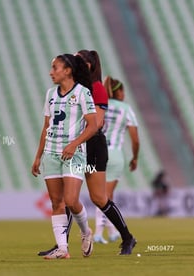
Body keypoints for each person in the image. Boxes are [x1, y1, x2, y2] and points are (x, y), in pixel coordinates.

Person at [38, 50, 136, 256]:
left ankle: (127, 237)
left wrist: (74, 141)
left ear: (89, 65)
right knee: (68, 198)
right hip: (71, 146)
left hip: (93, 147)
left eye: (80, 60)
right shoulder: (69, 90)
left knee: (99, 198)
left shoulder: (96, 89)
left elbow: (97, 123)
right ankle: (62, 245)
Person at [32, 53, 97, 259]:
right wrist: (38, 156)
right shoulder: (51, 93)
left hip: (74, 154)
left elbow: (93, 124)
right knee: (56, 202)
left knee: (70, 200)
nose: (51, 72)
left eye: (55, 68)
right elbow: (46, 127)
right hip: (51, 153)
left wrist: (74, 144)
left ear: (67, 70)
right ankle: (63, 249)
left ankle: (86, 232)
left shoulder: (82, 93)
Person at [93, 76, 140, 244]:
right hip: (114, 154)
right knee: (104, 196)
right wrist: (135, 158)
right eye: (123, 91)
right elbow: (135, 139)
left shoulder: (101, 105)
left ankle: (111, 231)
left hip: (98, 150)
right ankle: (98, 232)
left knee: (103, 196)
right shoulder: (125, 109)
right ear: (119, 91)